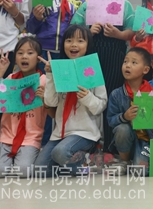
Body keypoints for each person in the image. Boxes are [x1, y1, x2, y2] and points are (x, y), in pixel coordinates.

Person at [71, 0, 134, 150]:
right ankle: (90, 143)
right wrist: (88, 32)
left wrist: (118, 34)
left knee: (112, 97)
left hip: (115, 57)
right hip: (91, 57)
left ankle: (110, 146)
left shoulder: (126, 5)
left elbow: (132, 31)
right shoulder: (87, 5)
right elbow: (74, 30)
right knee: (90, 98)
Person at [34, 25, 107, 177]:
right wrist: (50, 75)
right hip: (60, 134)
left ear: (88, 45)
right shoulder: (60, 70)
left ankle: (88, 162)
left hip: (85, 133)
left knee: (60, 153)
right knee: (40, 170)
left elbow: (100, 106)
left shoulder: (93, 70)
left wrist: (87, 97)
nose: (74, 45)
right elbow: (51, 102)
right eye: (69, 41)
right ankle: (79, 163)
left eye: (80, 41)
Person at [26, 0, 84, 145]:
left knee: (65, 97)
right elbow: (31, 28)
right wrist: (36, 17)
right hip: (45, 53)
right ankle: (41, 140)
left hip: (69, 55)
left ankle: (62, 138)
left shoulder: (81, 1)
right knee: (43, 96)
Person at [0, 37, 54, 177]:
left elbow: (53, 114)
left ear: (39, 58)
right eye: (20, 53)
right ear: (15, 58)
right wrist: (1, 71)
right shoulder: (10, 79)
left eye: (30, 53)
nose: (24, 56)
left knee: (24, 171)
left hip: (31, 138)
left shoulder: (44, 80)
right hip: (6, 136)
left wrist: (45, 99)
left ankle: (28, 156)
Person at [106, 47, 153, 175]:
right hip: (127, 139)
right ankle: (125, 161)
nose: (127, 65)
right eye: (125, 61)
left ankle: (140, 160)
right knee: (122, 129)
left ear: (145, 70)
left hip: (147, 139)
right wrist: (124, 117)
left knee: (140, 172)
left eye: (134, 62)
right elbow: (111, 121)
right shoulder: (116, 94)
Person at [27, 0, 85, 64]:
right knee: (44, 75)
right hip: (43, 50)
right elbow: (30, 29)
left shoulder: (80, 1)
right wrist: (37, 18)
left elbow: (83, 29)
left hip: (69, 51)